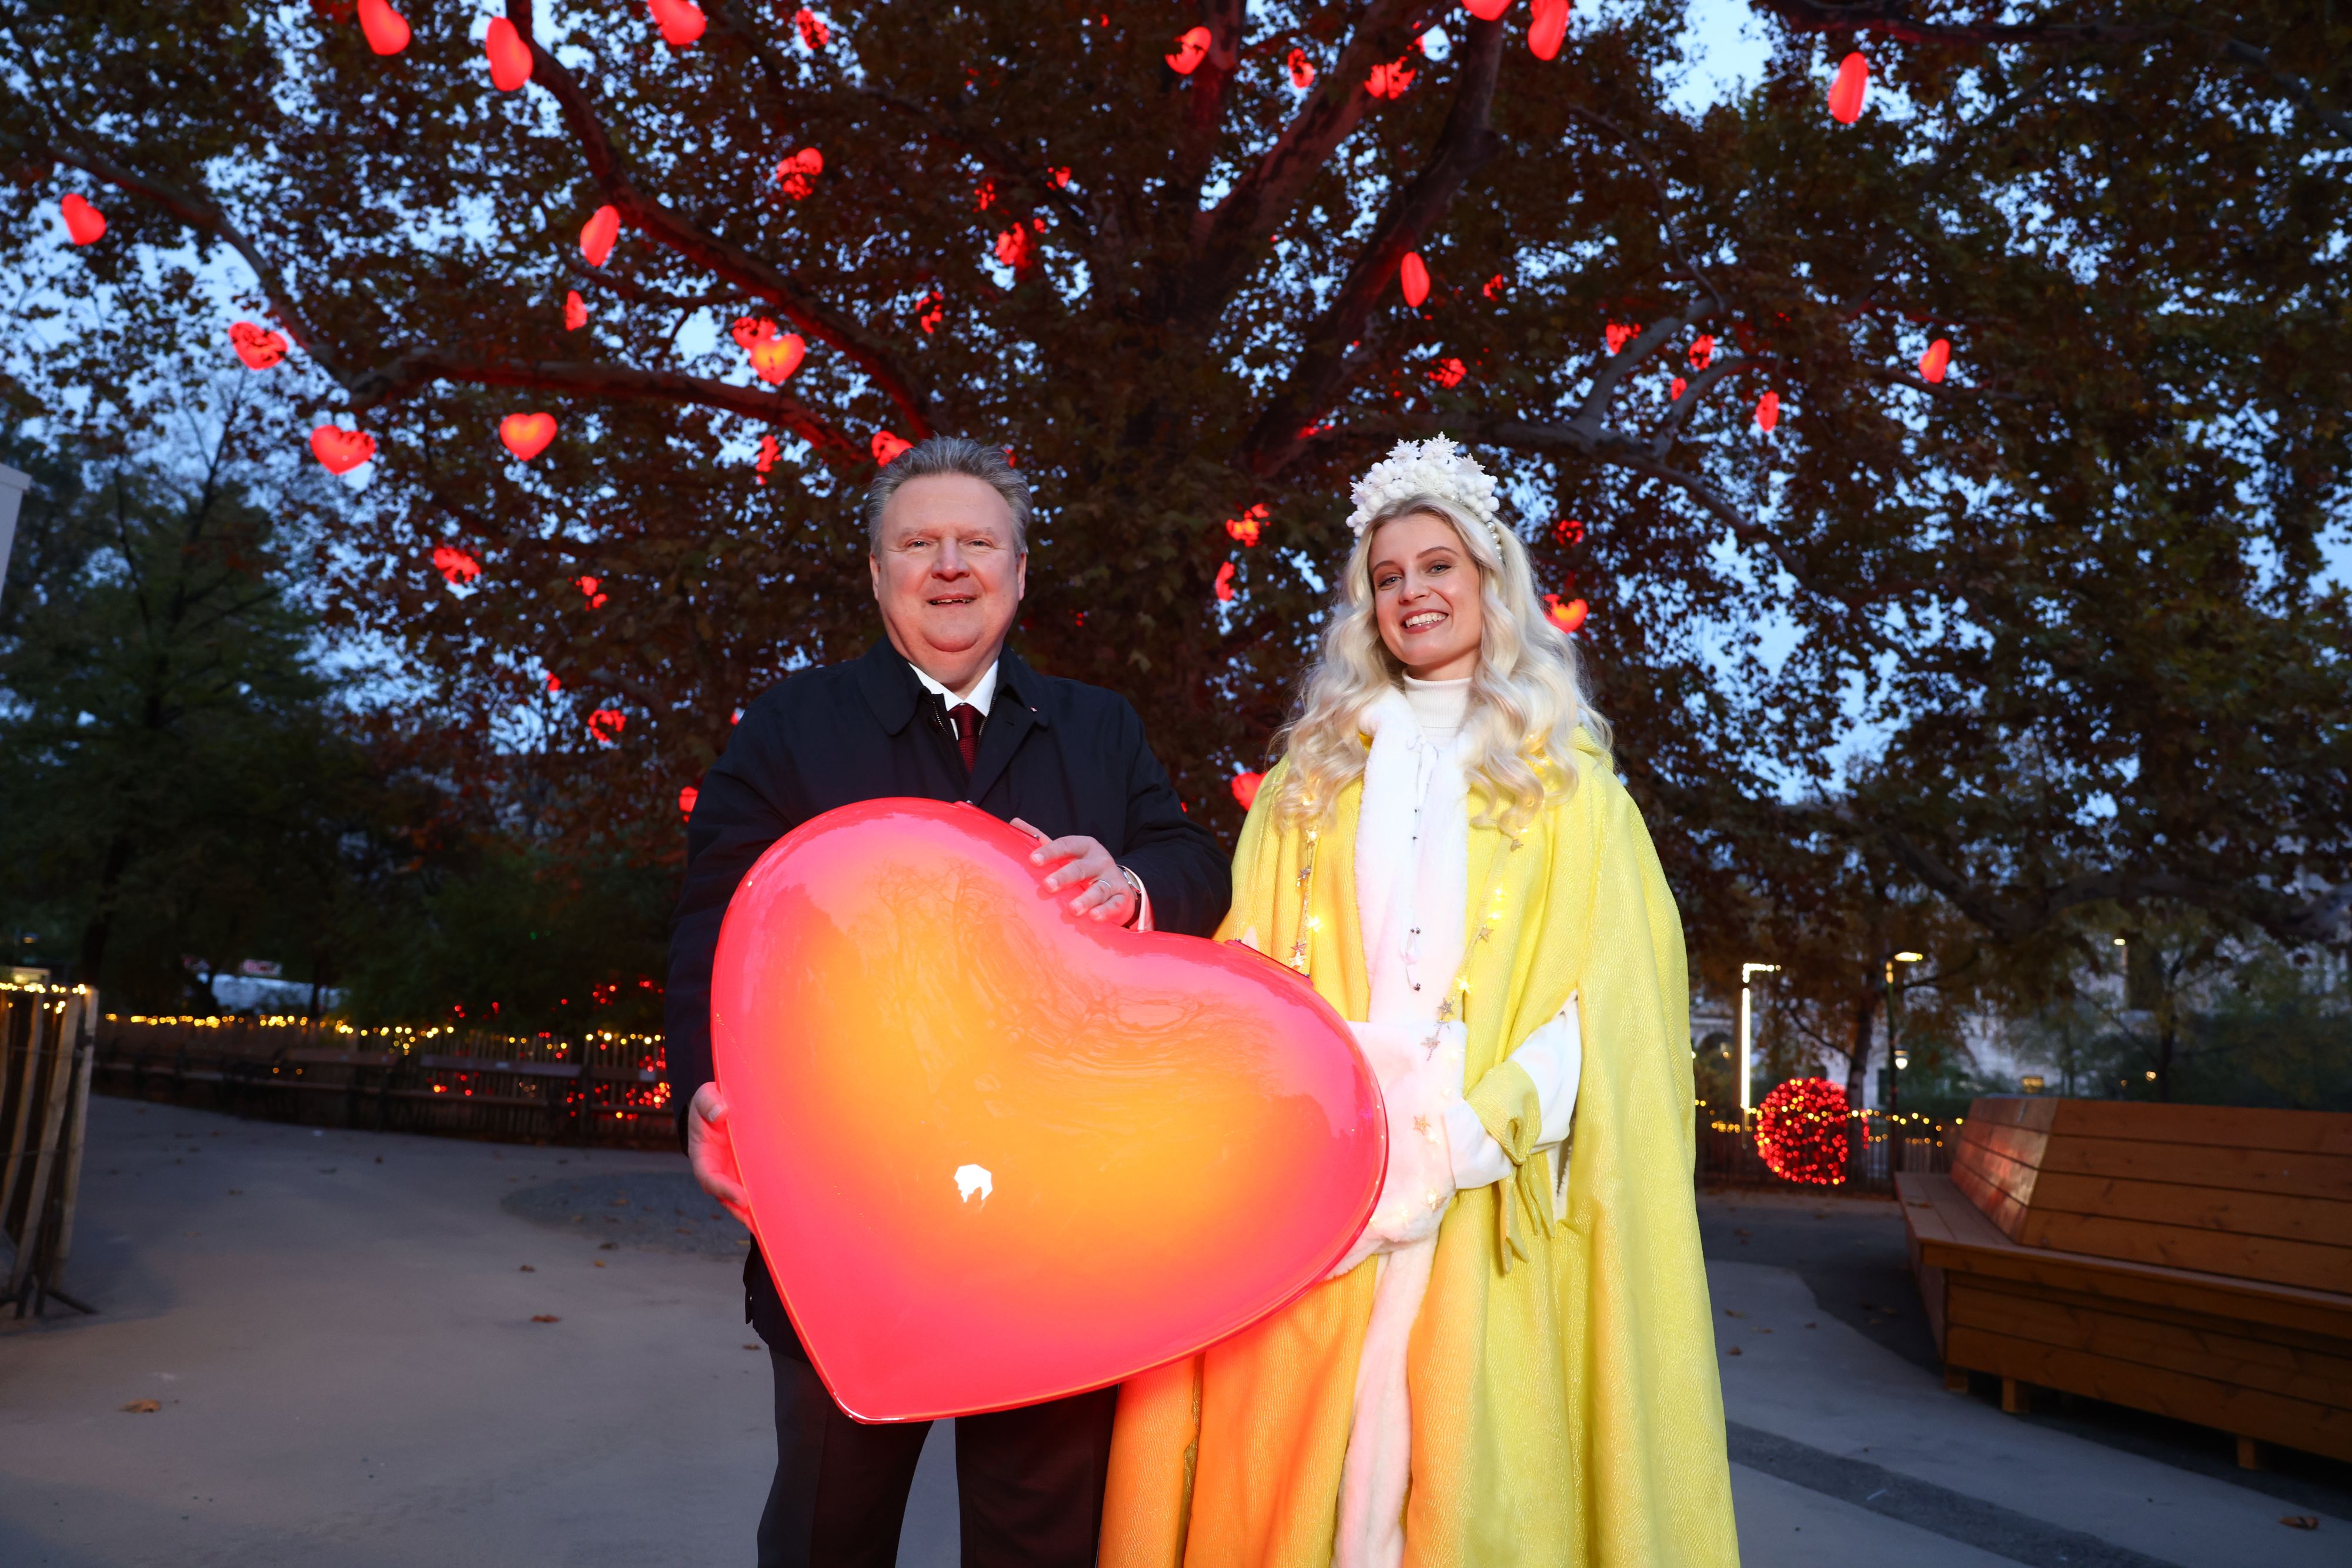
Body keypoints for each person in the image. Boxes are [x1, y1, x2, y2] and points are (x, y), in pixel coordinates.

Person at [1099, 437, 1739, 1567]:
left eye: (1438, 567)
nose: (1414, 595)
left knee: (1446, 1479)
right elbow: (1247, 970)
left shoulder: (1572, 789)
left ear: (1491, 584)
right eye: (1388, 577)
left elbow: (1609, 1011)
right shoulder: (1309, 781)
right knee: (1311, 1467)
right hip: (1326, 1177)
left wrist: (1471, 1128)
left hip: (1481, 1181)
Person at [667, 435, 1229, 1568]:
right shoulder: (791, 728)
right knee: (832, 1526)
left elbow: (1195, 863)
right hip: (848, 1212)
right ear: (877, 574)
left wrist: (1133, 886)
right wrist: (703, 1091)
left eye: (978, 542)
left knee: (1043, 1539)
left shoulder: (1099, 726)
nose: (950, 565)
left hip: (1059, 1218)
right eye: (918, 542)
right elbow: (712, 930)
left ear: (1021, 574)